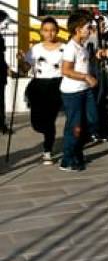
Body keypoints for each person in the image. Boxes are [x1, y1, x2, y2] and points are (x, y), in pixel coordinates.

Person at [18, 17, 64, 165]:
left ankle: (47, 151)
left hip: (56, 85)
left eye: (52, 30)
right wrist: (21, 60)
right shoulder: (36, 49)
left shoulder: (64, 48)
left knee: (50, 119)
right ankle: (48, 133)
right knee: (36, 123)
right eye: (46, 30)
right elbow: (25, 68)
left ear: (57, 31)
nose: (49, 33)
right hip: (38, 86)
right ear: (41, 32)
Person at [59, 11, 99, 172]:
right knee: (75, 126)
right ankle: (67, 159)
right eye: (88, 27)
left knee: (92, 120)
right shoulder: (71, 48)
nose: (90, 30)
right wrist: (86, 77)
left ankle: (77, 152)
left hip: (85, 90)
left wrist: (98, 56)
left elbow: (85, 63)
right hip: (72, 93)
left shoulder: (83, 46)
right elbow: (66, 70)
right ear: (78, 29)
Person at [0, 11, 10, 135]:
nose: (5, 26)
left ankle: (2, 124)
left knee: (1, 101)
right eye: (4, 23)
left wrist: (7, 67)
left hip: (1, 73)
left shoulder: (1, 37)